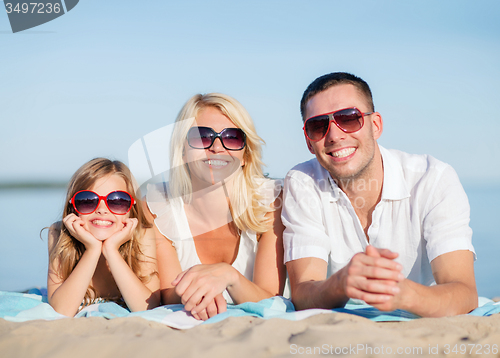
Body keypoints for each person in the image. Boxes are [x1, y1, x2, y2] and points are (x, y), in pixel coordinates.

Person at [282, 72, 477, 317]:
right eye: (318, 126)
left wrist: (403, 294)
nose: (334, 135)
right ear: (309, 142)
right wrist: (340, 283)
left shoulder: (432, 179)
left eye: (349, 118)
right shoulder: (302, 182)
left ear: (375, 126)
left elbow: (464, 293)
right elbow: (303, 293)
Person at [146, 93, 286, 321]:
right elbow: (168, 296)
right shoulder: (157, 206)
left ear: (245, 155)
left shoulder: (271, 202)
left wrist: (229, 276)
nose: (217, 147)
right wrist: (203, 296)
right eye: (202, 137)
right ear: (182, 152)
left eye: (231, 137)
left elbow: (269, 298)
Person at [47, 158, 160, 316]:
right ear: (73, 205)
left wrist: (111, 250)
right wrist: (92, 250)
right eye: (87, 200)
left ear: (131, 208)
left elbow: (149, 308)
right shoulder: (59, 233)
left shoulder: (142, 234)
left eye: (117, 201)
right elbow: (61, 311)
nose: (102, 209)